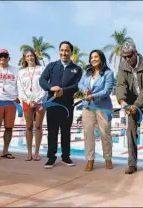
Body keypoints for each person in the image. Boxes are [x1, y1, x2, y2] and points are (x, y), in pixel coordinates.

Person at [116, 41, 143, 176]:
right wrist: (123, 102)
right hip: (131, 104)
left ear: (135, 53)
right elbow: (121, 85)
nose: (127, 59)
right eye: (124, 57)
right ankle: (132, 164)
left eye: (129, 56)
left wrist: (136, 105)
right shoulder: (123, 66)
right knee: (130, 132)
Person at [39, 41, 83, 169]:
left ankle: (65, 156)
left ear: (71, 52)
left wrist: (65, 91)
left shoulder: (77, 69)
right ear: (59, 51)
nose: (64, 53)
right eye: (62, 50)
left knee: (66, 131)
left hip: (67, 104)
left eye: (67, 50)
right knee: (52, 131)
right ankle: (51, 158)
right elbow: (42, 80)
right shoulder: (52, 66)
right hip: (53, 103)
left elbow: (77, 85)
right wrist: (51, 87)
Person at [78, 49, 114, 171]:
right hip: (88, 107)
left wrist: (93, 95)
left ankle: (108, 158)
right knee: (88, 134)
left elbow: (107, 91)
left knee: (105, 134)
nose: (93, 59)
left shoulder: (108, 73)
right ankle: (90, 160)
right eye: (91, 57)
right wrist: (84, 90)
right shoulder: (87, 72)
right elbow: (80, 84)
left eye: (96, 57)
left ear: (101, 58)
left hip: (102, 107)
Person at [17, 48, 47, 161]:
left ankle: (37, 152)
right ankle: (29, 152)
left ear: (35, 56)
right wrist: (28, 100)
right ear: (25, 58)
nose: (30, 58)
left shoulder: (42, 69)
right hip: (27, 102)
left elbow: (45, 86)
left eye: (31, 55)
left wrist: (38, 99)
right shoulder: (21, 72)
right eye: (27, 56)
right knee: (29, 127)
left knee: (38, 127)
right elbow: (20, 89)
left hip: (40, 101)